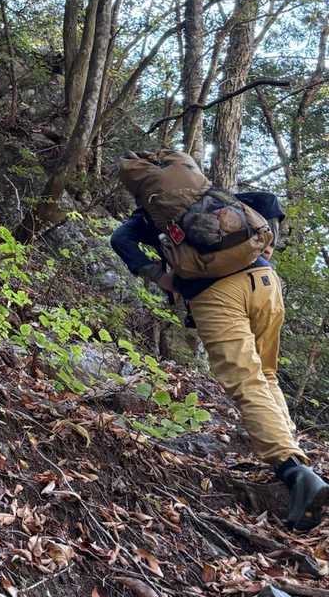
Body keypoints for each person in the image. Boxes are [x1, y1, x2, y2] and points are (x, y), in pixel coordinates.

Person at [111, 181, 329, 530]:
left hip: (217, 295)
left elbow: (119, 240)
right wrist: (266, 244)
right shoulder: (213, 199)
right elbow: (267, 202)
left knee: (246, 382)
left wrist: (162, 278)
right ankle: (292, 452)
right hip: (265, 281)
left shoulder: (151, 217)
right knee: (266, 373)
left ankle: (294, 472)